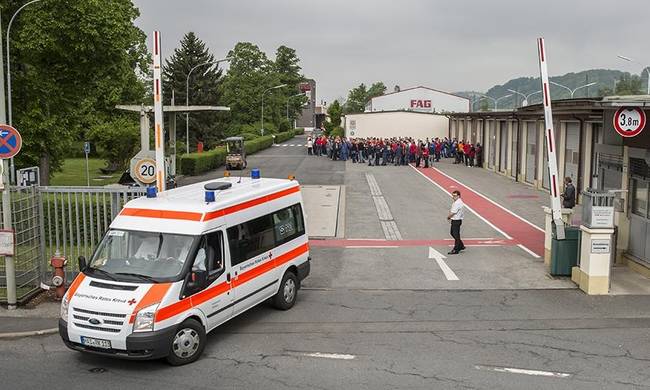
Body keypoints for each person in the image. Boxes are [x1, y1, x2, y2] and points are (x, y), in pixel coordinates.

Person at [447, 190, 465, 254]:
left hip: (456, 220)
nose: (453, 197)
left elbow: (453, 212)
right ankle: (461, 245)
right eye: (453, 195)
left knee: (455, 235)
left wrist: (448, 217)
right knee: (453, 233)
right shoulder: (458, 202)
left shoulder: (457, 203)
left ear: (458, 196)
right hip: (457, 220)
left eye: (455, 196)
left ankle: (456, 249)